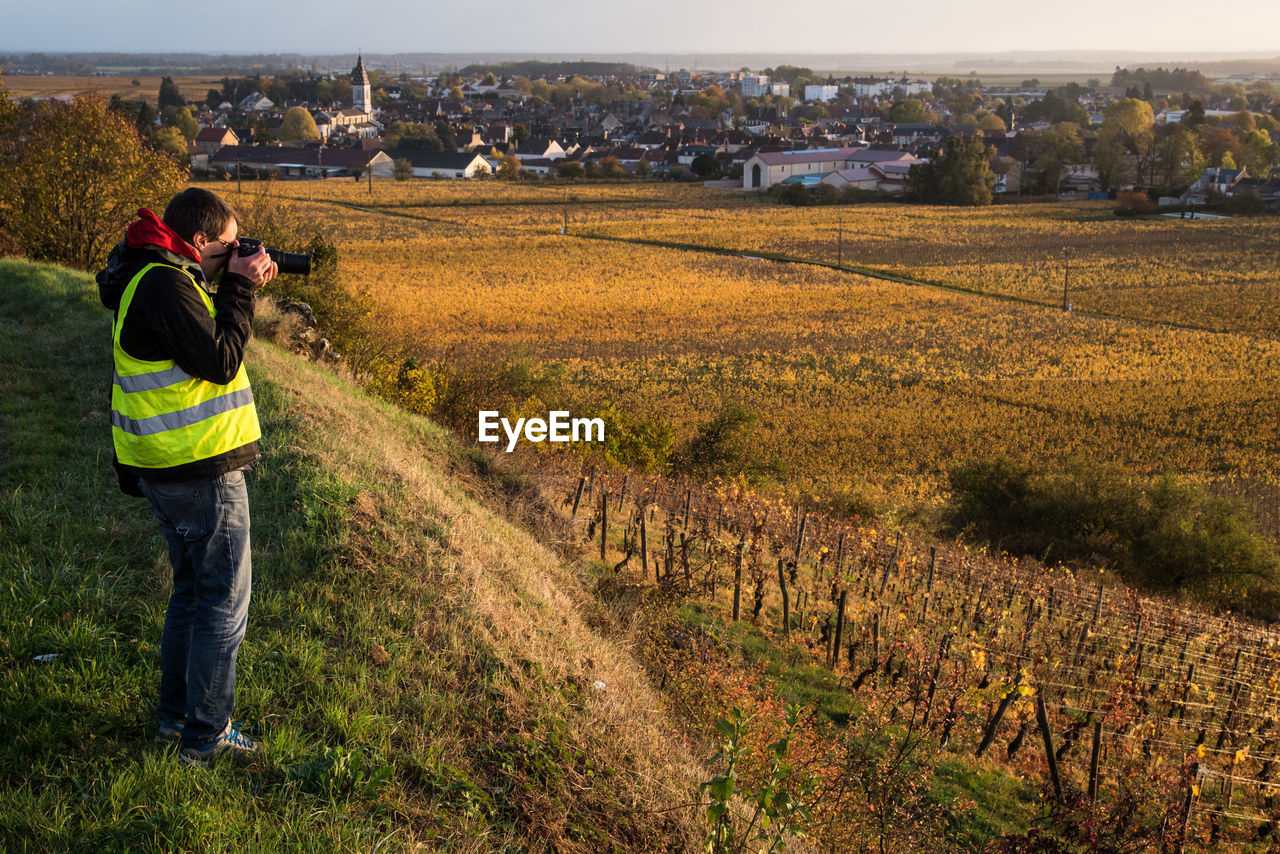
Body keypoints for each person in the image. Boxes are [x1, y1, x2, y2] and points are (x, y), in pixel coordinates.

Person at [97, 188, 277, 766]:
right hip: (198, 468)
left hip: (169, 464)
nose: (233, 255)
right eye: (228, 246)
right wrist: (242, 287)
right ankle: (205, 734)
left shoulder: (151, 275)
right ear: (200, 243)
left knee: (193, 594)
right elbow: (222, 360)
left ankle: (177, 718)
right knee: (223, 602)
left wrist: (231, 280)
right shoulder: (168, 285)